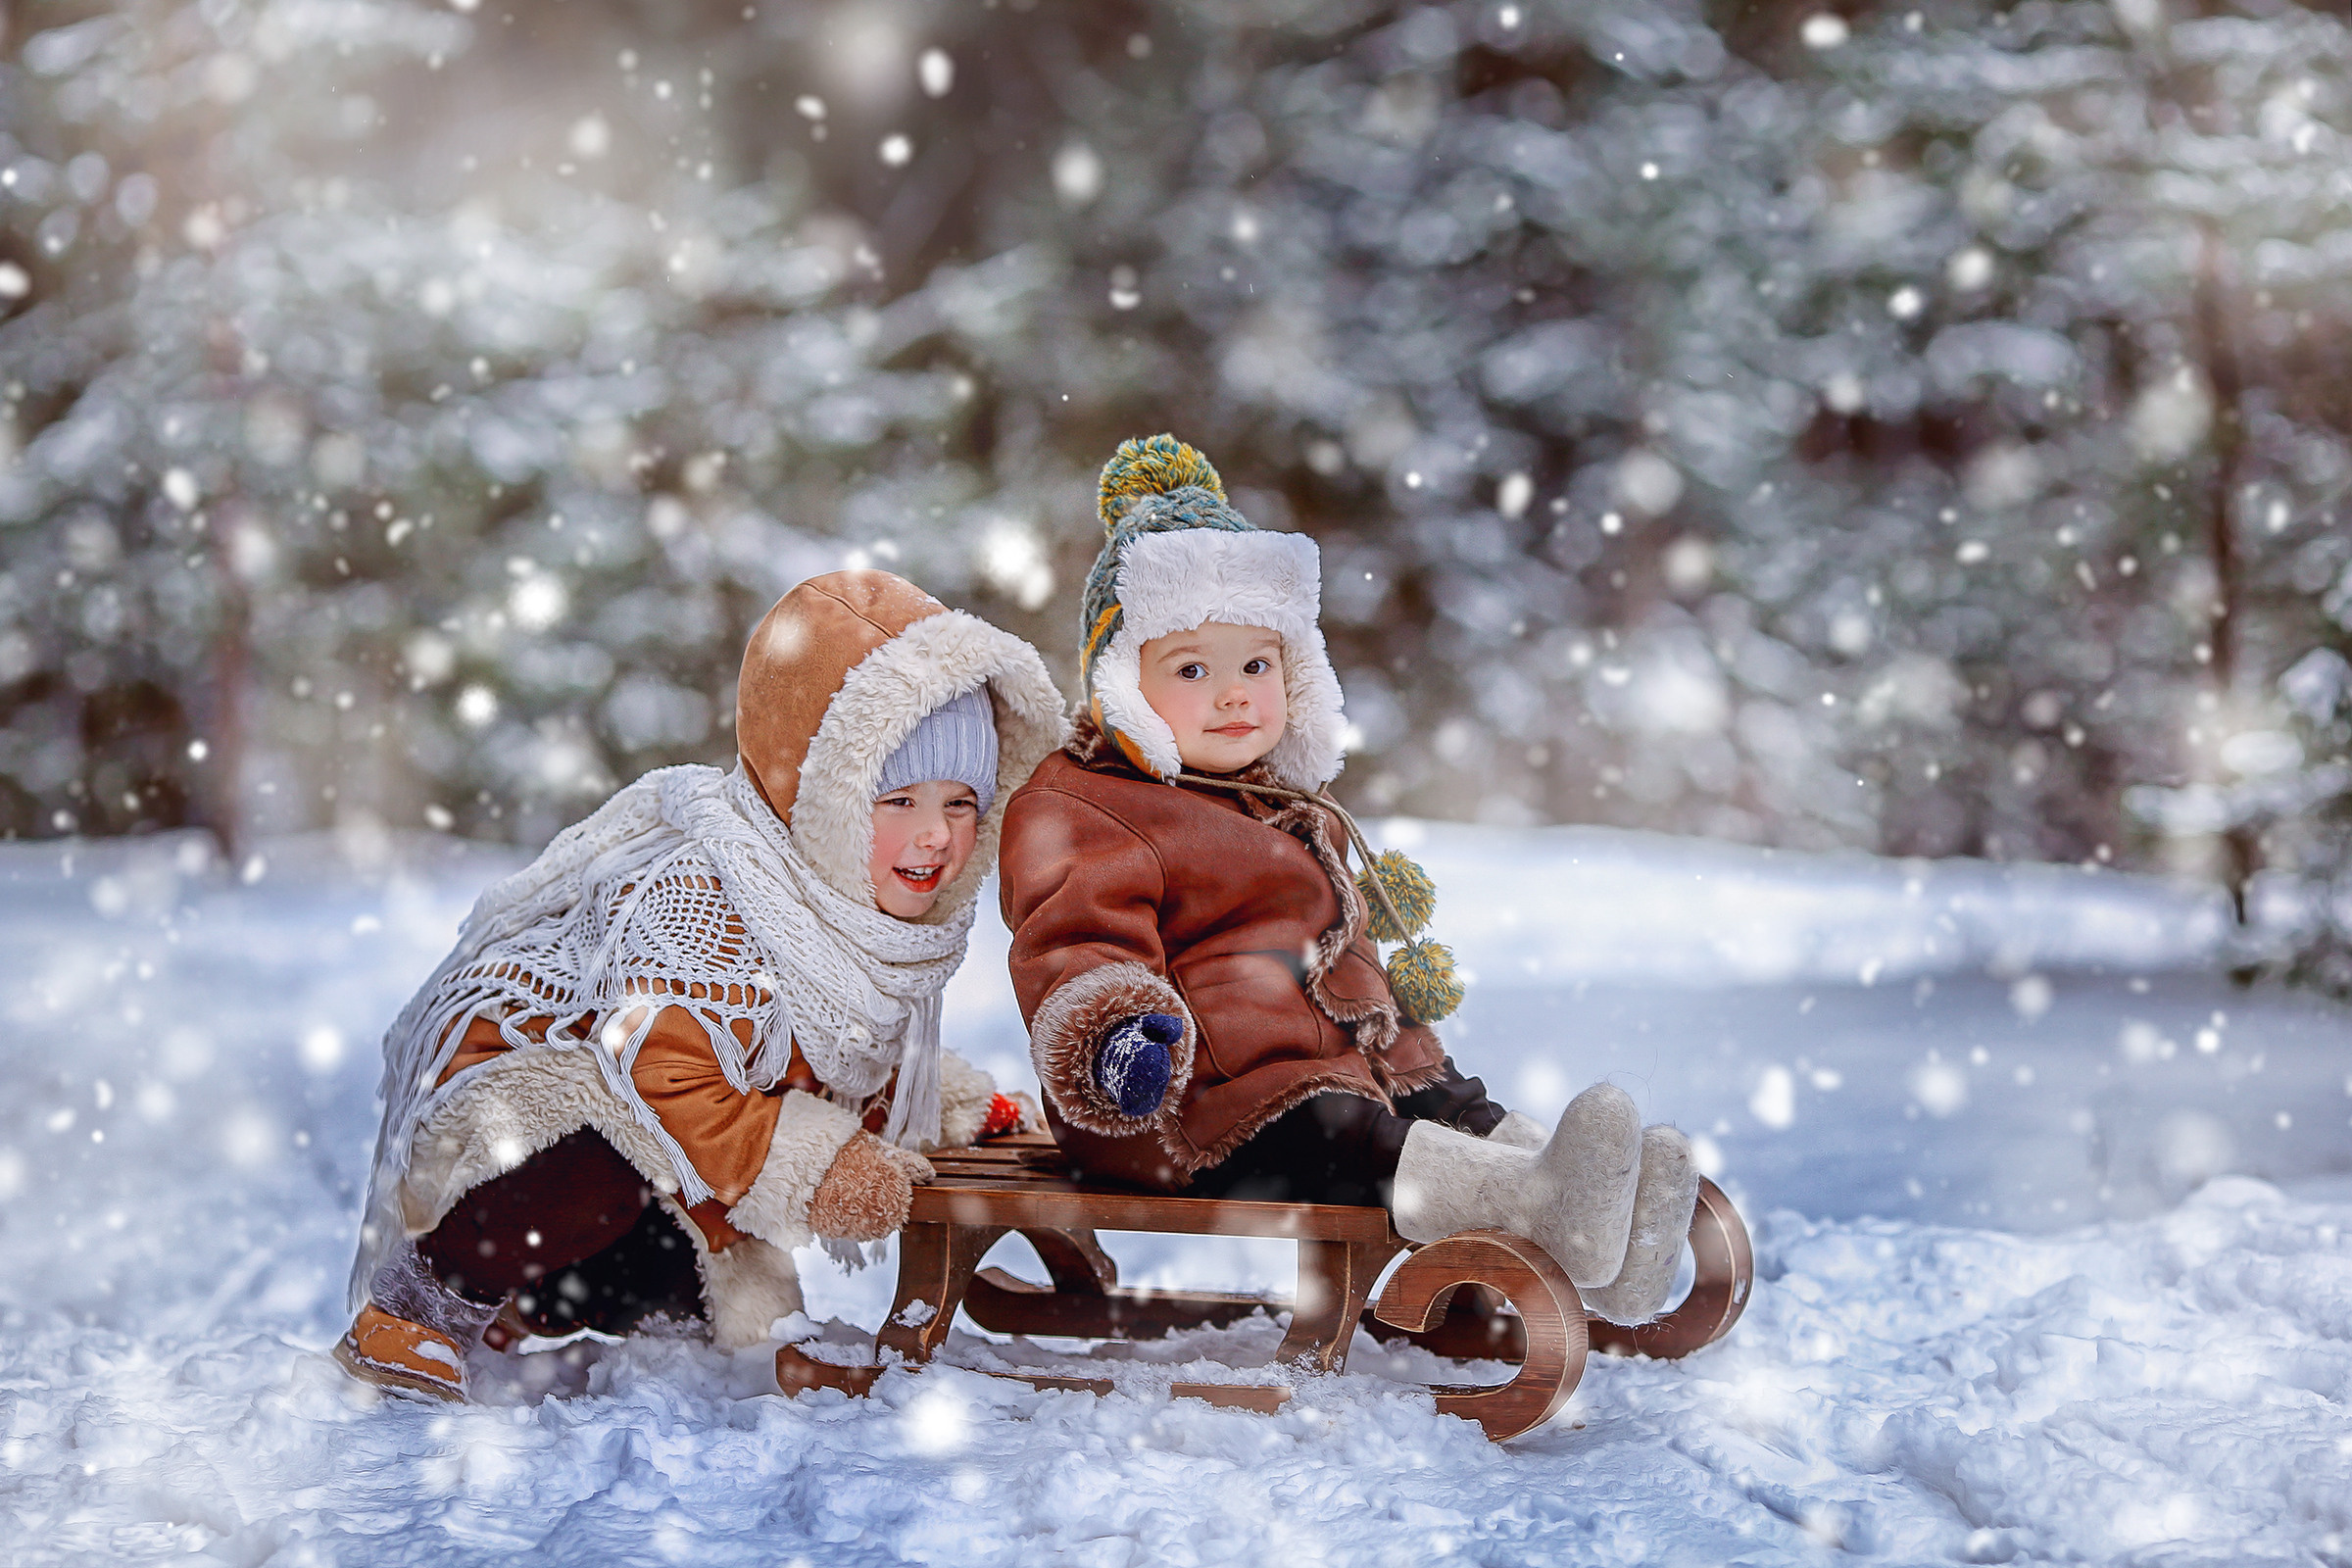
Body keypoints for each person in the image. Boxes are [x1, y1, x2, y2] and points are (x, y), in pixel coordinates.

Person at [999, 436, 1700, 1324]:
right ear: (1118, 679)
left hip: (1325, 1081)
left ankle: (1608, 1231)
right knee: (1342, 1130)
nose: (1233, 696)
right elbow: (1075, 942)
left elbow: (1347, 966)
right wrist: (1118, 1042)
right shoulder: (1085, 801)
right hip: (1186, 1112)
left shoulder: (1289, 805)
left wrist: (1414, 1063)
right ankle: (1540, 1203)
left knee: (1437, 1103)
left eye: (1256, 664)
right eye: (1190, 670)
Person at [337, 570, 1065, 1400]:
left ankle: (546, 1293)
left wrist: (952, 1105)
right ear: (815, 794)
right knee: (596, 1171)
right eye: (896, 799)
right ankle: (427, 1299)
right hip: (540, 1097)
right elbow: (659, 1071)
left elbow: (826, 1058)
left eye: (962, 802)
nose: (935, 835)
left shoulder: (856, 923)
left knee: (682, 1296)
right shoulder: (706, 894)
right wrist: (817, 1166)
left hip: (663, 1138)